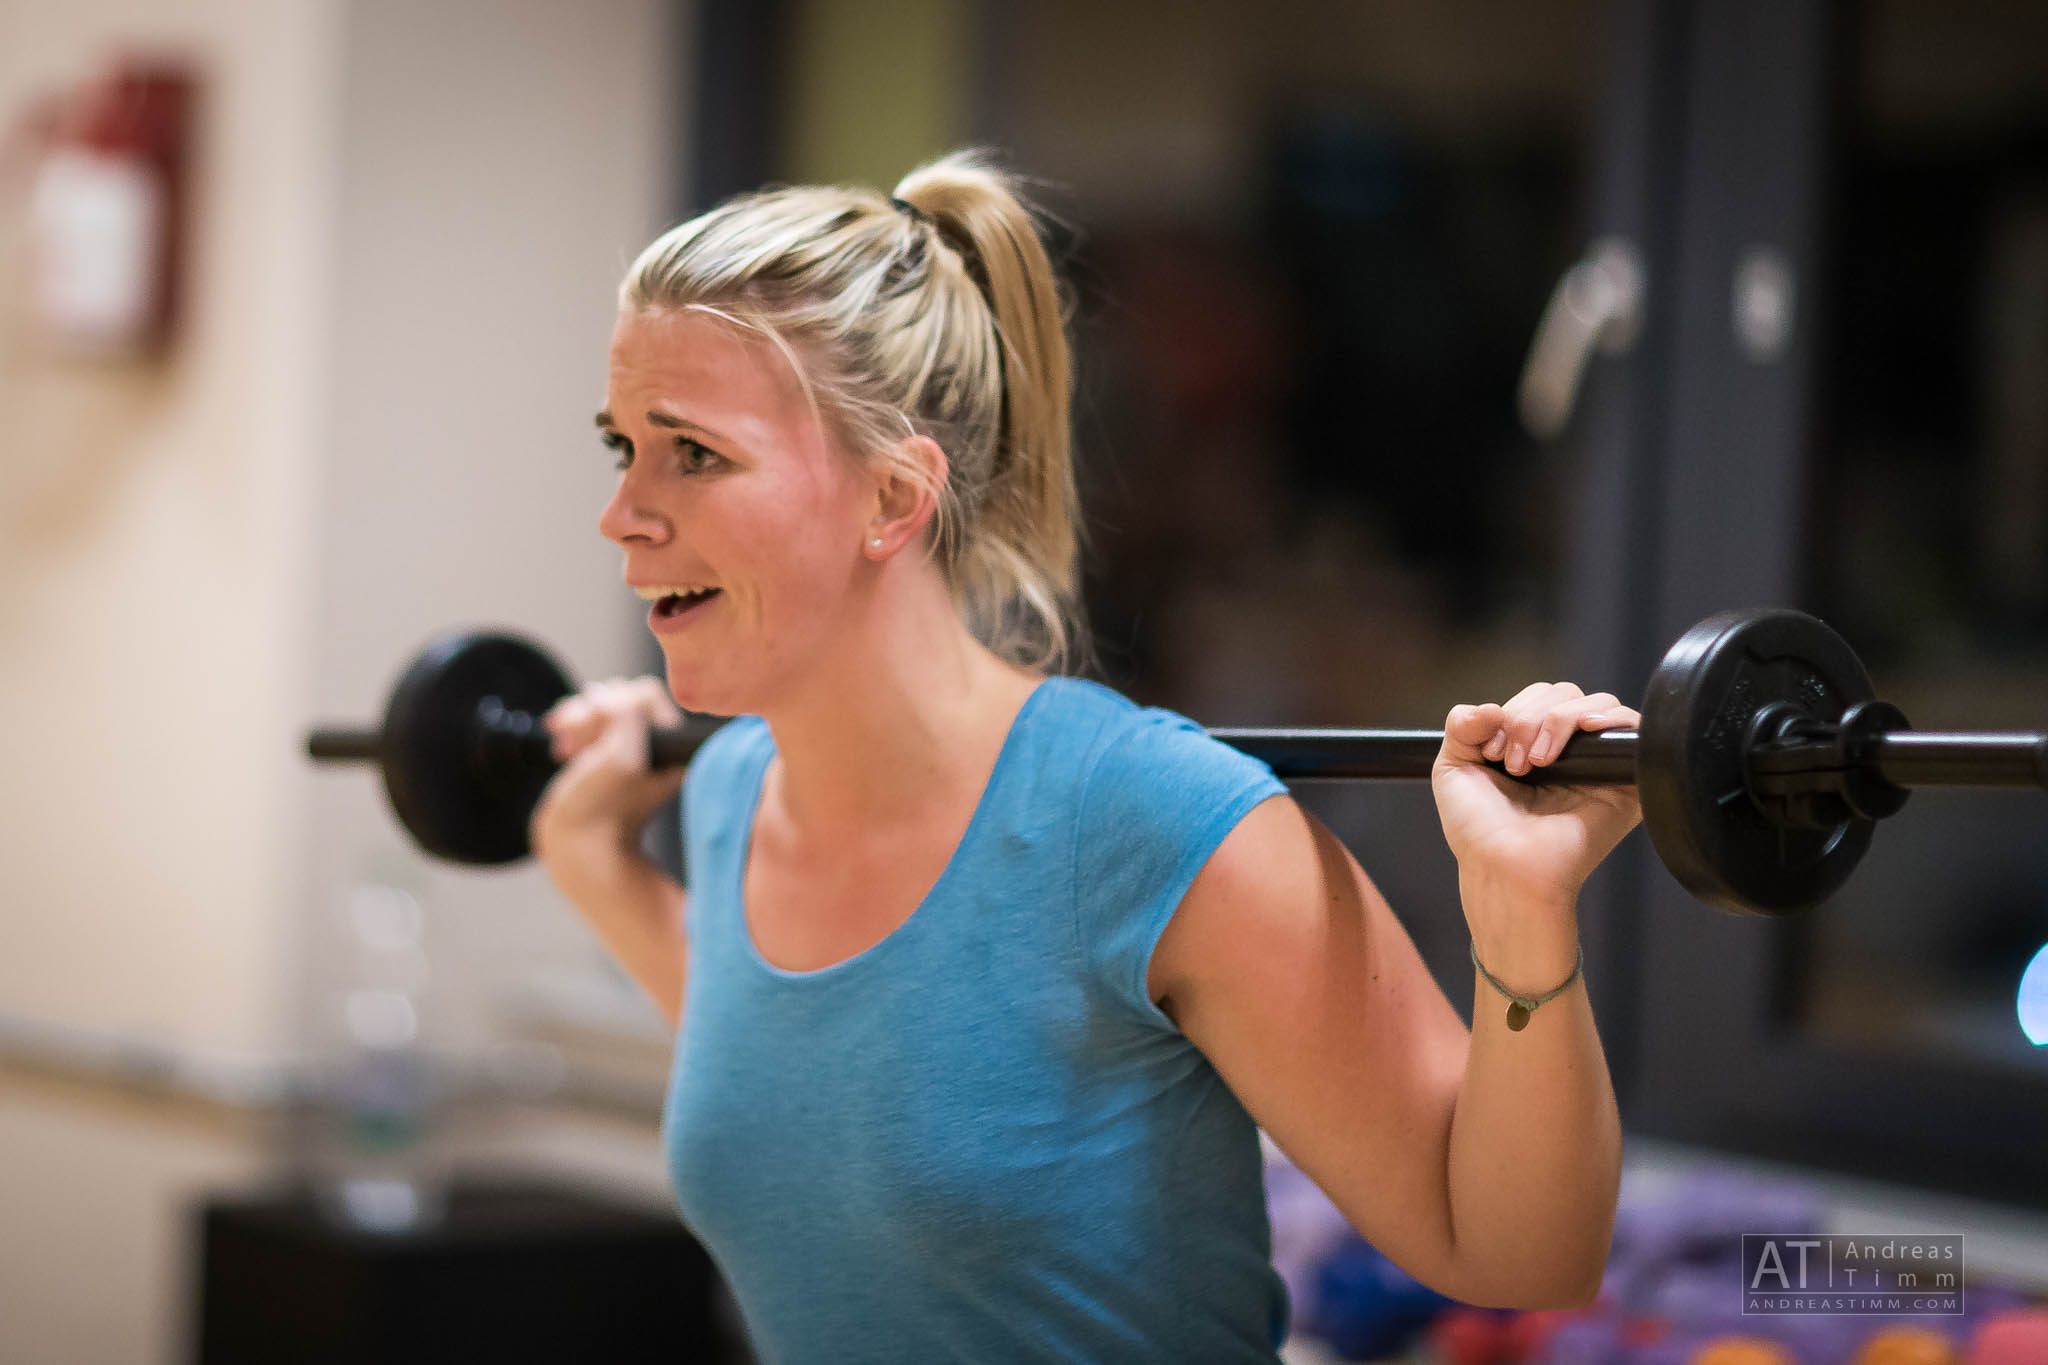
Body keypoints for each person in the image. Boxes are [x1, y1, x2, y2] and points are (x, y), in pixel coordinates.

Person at [530, 149, 1641, 1364]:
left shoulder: (1146, 819)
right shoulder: (733, 793)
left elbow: (1519, 1256)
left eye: (690, 451)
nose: (621, 510)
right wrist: (591, 858)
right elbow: (827, 1084)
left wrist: (1520, 914)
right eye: (620, 445)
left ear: (892, 499)